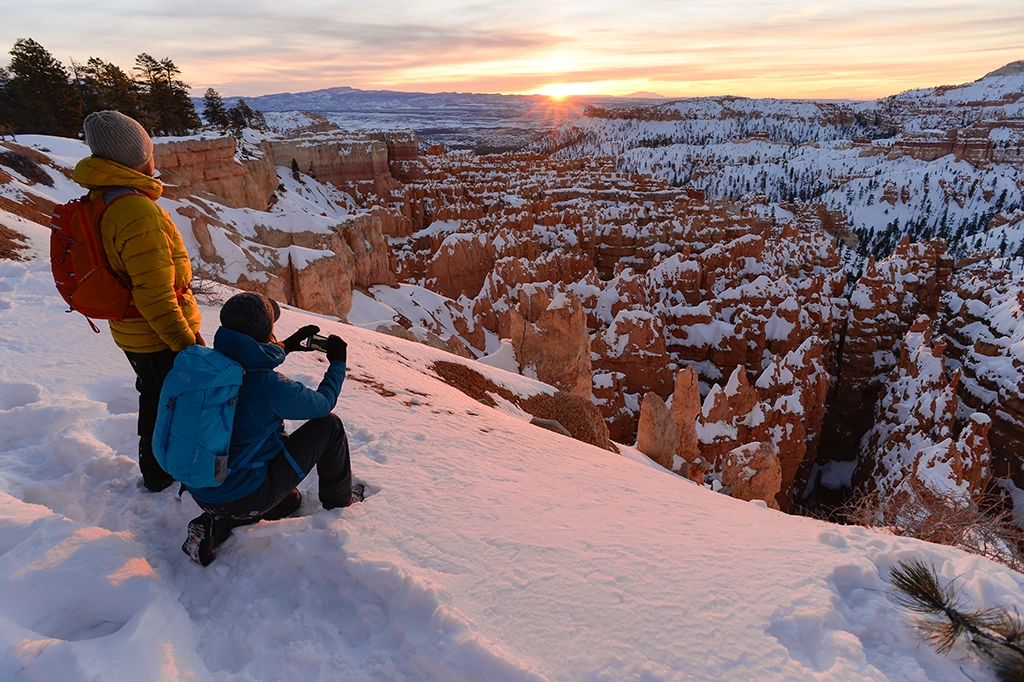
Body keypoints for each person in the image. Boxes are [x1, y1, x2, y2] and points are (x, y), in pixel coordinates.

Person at [72, 110, 203, 492]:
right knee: (184, 404)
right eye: (148, 150)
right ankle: (182, 474)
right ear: (136, 157)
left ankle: (158, 474)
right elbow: (156, 294)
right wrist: (188, 345)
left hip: (132, 331)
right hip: (158, 334)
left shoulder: (103, 198)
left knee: (156, 397)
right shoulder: (136, 211)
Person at [182, 292, 361, 566]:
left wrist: (285, 346)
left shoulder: (207, 364)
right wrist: (338, 363)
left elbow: (246, 357)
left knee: (289, 501)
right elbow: (322, 405)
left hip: (203, 483)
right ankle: (339, 503)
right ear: (265, 333)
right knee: (330, 426)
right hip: (245, 495)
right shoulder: (267, 385)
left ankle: (215, 525)